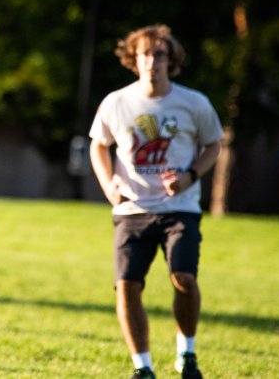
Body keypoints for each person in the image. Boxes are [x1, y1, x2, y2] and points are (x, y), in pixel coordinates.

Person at [89, 25, 221, 379]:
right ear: (134, 59)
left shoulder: (194, 103)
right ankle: (142, 367)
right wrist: (108, 185)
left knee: (183, 278)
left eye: (159, 54)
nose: (152, 61)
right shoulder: (117, 102)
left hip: (180, 209)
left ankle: (186, 354)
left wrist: (190, 177)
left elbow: (213, 145)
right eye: (145, 54)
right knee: (127, 286)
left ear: (171, 60)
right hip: (132, 209)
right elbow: (98, 144)